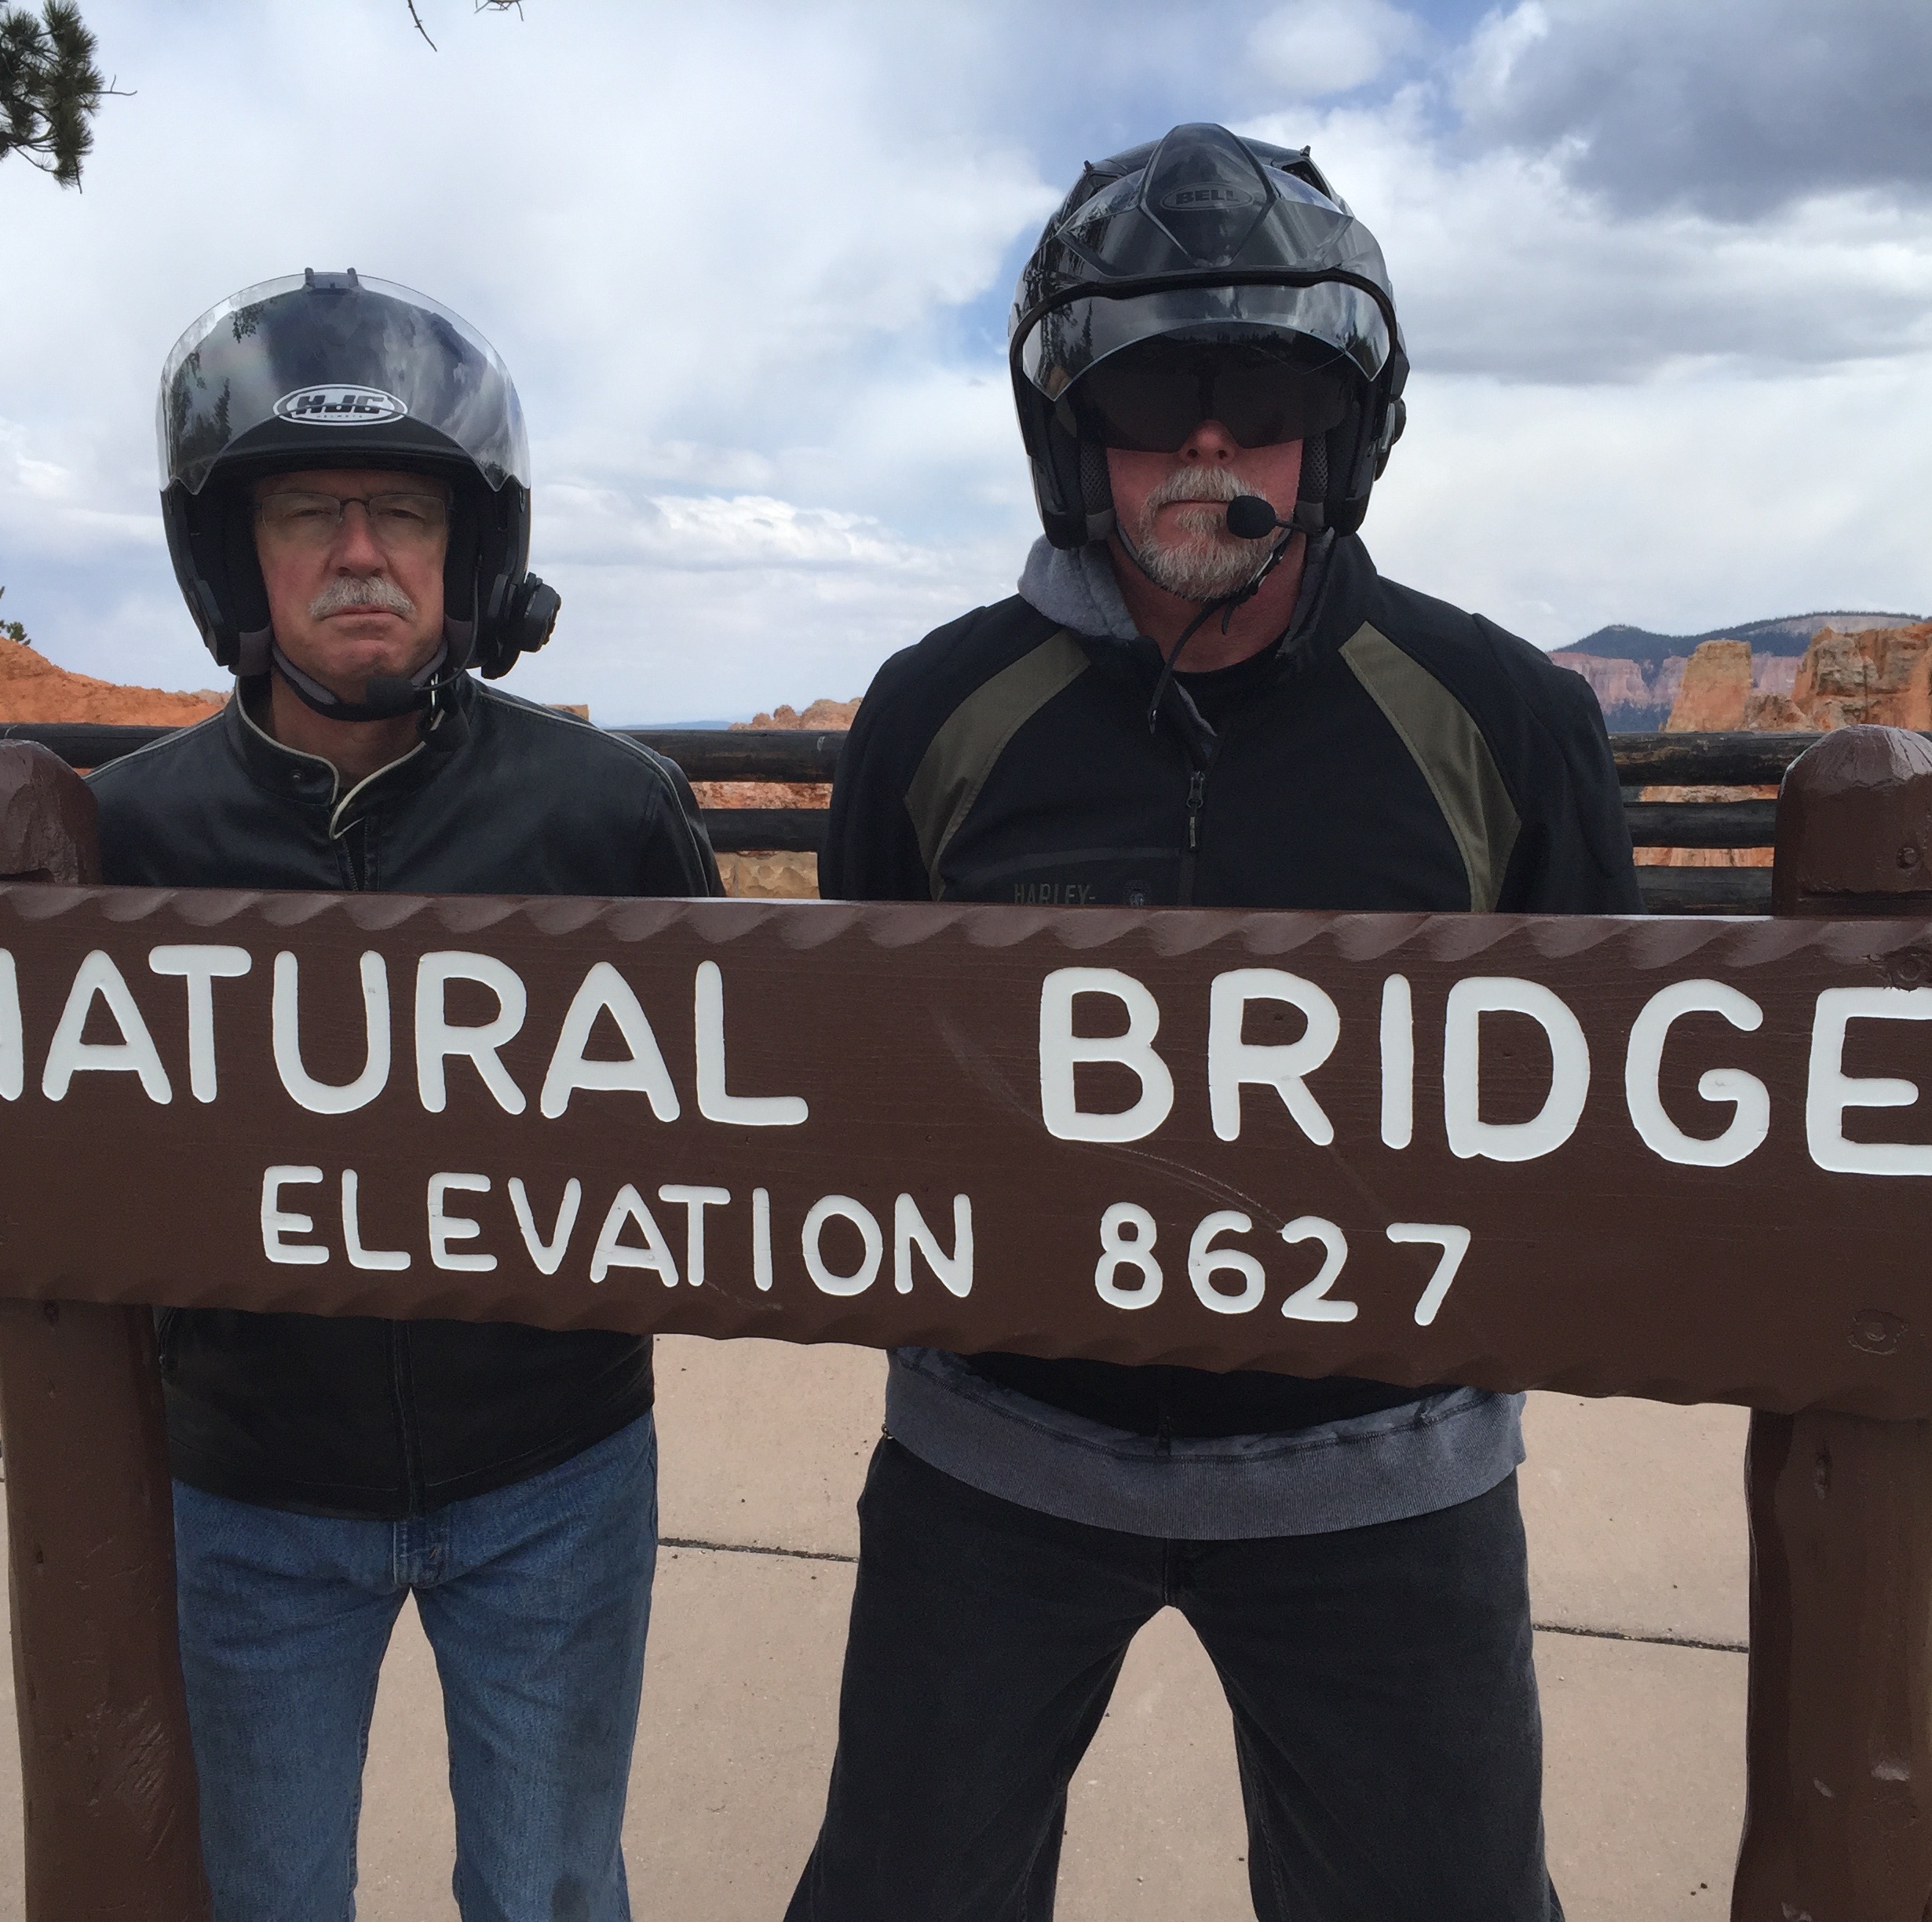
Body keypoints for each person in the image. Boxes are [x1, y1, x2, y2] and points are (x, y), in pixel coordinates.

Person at [788, 126, 1638, 1921]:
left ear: (1340, 433)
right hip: (995, 1457)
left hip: (1382, 1478)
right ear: (1068, 428)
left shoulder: (1499, 718)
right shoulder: (938, 714)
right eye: (1146, 393)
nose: (1205, 446)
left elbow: (1598, 1097)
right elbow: (865, 1064)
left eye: (1263, 395)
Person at [91, 269, 721, 1922]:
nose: (361, 553)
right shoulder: (130, 838)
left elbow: (734, 1117)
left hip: (555, 1475)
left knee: (550, 1890)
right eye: (309, 512)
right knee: (265, 1896)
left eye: (405, 512)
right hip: (251, 1488)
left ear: (470, 549)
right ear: (235, 554)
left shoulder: (610, 816)